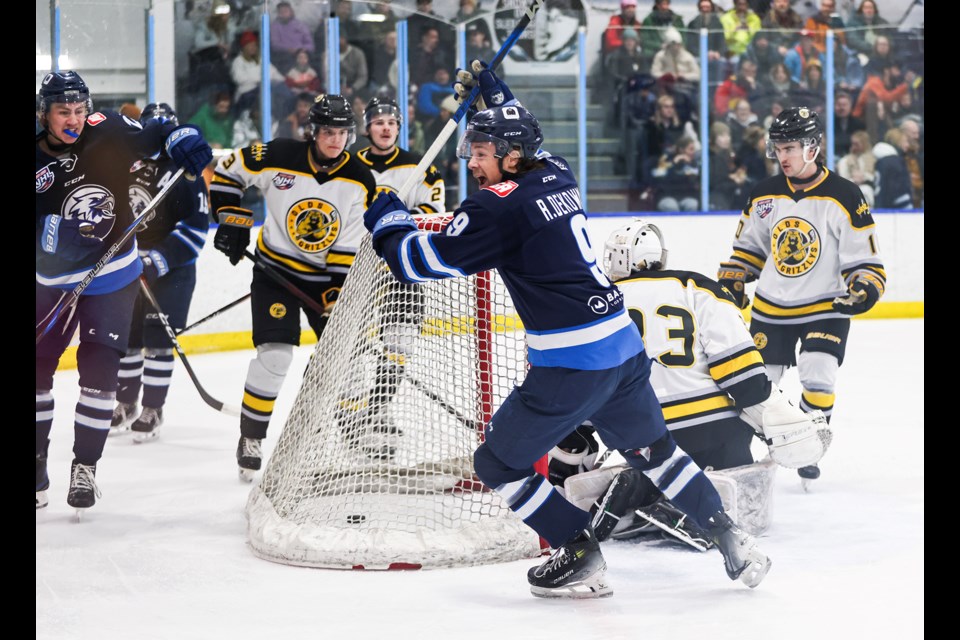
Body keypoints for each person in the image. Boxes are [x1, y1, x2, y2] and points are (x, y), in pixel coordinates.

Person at [364, 59, 772, 598]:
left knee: (496, 462)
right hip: (624, 352)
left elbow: (419, 263)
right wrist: (492, 91)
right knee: (657, 453)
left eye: (481, 154)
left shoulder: (494, 208)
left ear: (510, 158)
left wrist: (388, 220)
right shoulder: (556, 170)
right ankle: (730, 538)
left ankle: (578, 548)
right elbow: (519, 127)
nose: (473, 164)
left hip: (570, 366)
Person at [548, 219, 828, 546]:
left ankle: (641, 486)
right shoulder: (700, 287)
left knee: (650, 455)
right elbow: (742, 375)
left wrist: (575, 439)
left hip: (639, 433)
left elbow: (577, 386)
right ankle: (694, 507)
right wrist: (771, 414)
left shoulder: (596, 303)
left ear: (618, 259)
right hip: (711, 430)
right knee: (743, 502)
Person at [36, 70, 213, 511]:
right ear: (44, 114)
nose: (74, 120)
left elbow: (158, 135)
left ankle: (85, 469)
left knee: (100, 372)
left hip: (112, 272)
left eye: (80, 110)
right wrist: (53, 232)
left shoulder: (108, 128)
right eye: (63, 112)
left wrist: (182, 136)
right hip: (50, 281)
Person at [208, 93, 377, 481]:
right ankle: (251, 437)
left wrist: (337, 297)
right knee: (276, 356)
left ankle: (351, 430)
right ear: (313, 131)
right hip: (276, 273)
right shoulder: (277, 155)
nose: (336, 140)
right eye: (329, 132)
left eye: (343, 133)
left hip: (326, 281)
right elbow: (228, 171)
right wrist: (230, 216)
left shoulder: (359, 179)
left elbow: (348, 247)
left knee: (344, 356)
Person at [716, 106, 885, 488]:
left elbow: (864, 255)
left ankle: (810, 442)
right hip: (772, 306)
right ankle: (757, 450)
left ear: (812, 147)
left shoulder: (844, 194)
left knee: (818, 373)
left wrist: (864, 286)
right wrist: (736, 278)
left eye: (790, 147)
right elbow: (749, 248)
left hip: (826, 305)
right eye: (778, 148)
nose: (783, 156)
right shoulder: (763, 195)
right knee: (759, 382)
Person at [110, 103, 211, 442]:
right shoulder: (128, 166)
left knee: (157, 341)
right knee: (127, 339)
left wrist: (156, 261)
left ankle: (153, 407)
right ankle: (126, 403)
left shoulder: (185, 172)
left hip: (173, 271)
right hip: (129, 268)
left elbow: (195, 230)